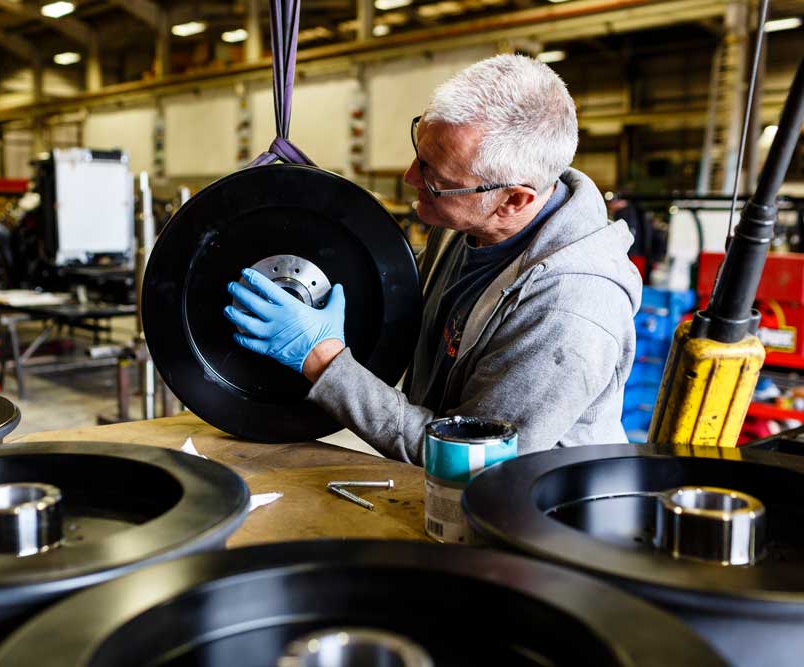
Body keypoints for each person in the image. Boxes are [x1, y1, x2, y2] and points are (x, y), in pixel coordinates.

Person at [223, 54, 642, 464]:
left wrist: (323, 361)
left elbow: (470, 458)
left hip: (537, 519)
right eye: (421, 158)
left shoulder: (569, 310)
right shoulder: (468, 222)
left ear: (513, 199)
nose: (410, 178)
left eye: (436, 180)